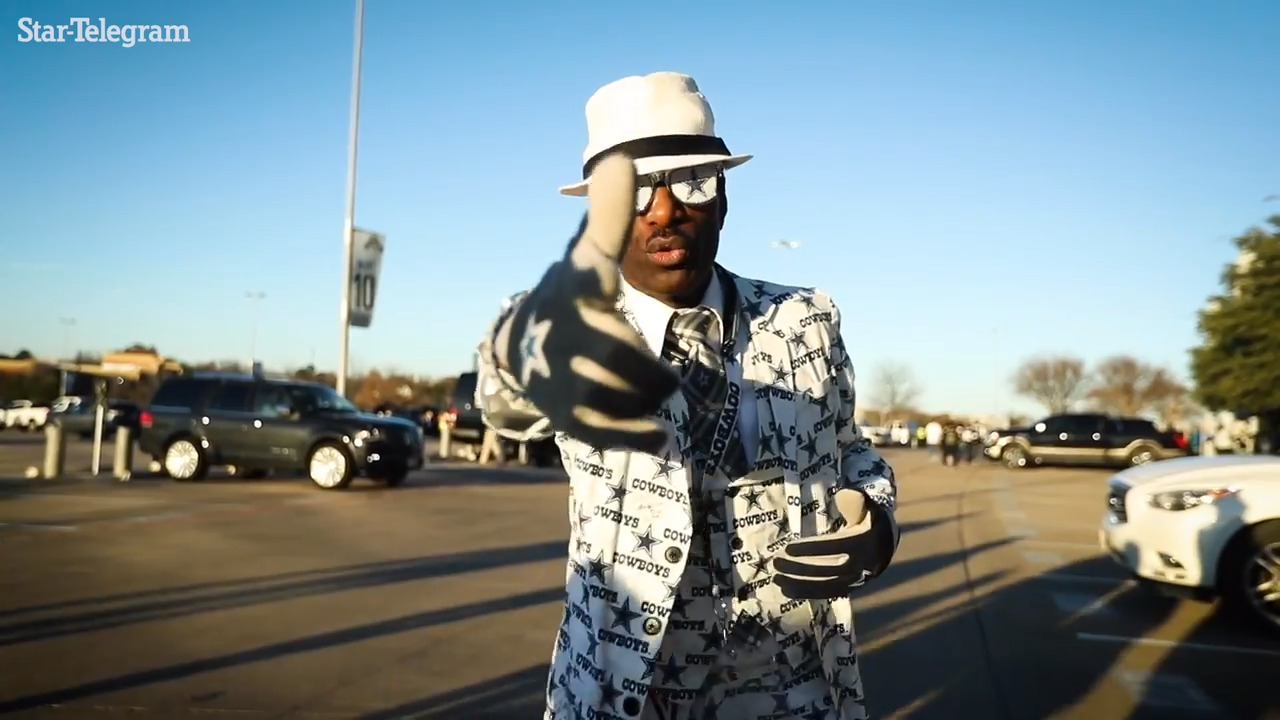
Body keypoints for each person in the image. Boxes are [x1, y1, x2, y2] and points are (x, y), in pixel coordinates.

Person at [473, 72, 899, 720]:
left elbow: (851, 449)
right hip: (622, 695)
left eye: (692, 181)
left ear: (724, 199)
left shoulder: (805, 320)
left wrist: (877, 521)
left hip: (789, 690)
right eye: (636, 193)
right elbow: (504, 400)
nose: (665, 210)